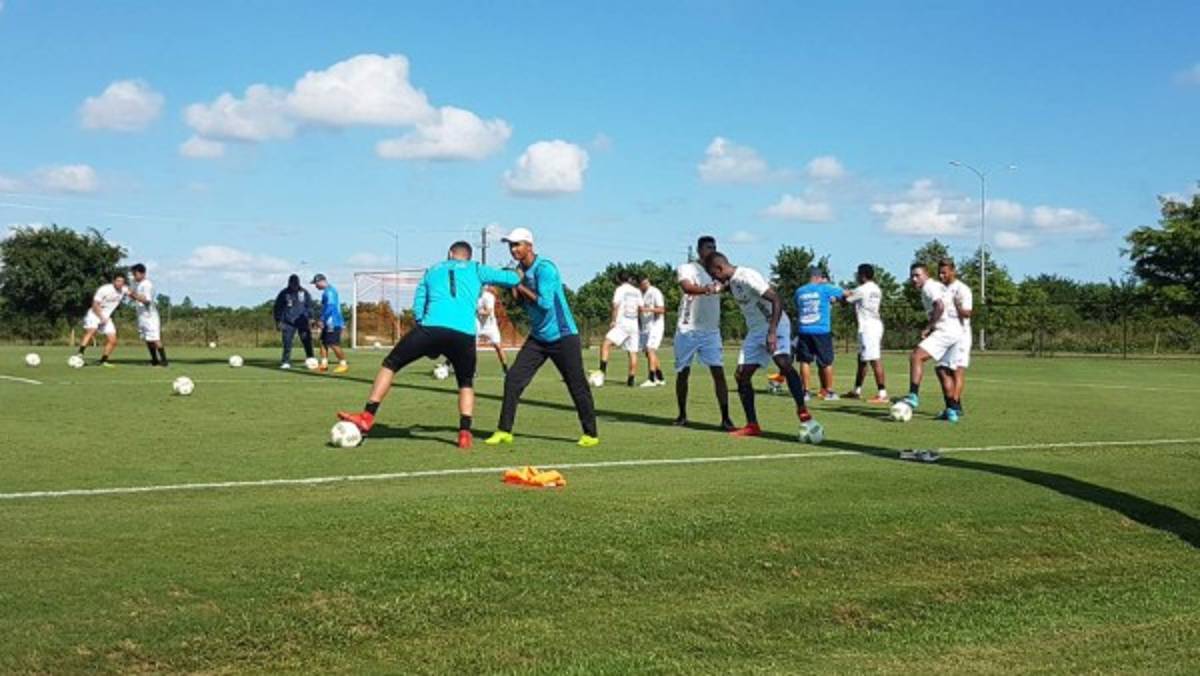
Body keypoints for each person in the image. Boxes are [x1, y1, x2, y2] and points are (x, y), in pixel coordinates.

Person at [338, 241, 519, 449]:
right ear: (468, 256)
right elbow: (511, 279)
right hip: (464, 334)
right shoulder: (478, 269)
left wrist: (422, 324)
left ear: (450, 254)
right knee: (466, 383)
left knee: (391, 364)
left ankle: (368, 416)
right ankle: (464, 433)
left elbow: (419, 302)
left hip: (431, 328)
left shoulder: (432, 270)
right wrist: (520, 272)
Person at [484, 227, 599, 448]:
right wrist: (513, 288)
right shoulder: (519, 270)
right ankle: (504, 430)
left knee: (576, 385)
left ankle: (590, 434)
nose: (513, 249)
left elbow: (545, 303)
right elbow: (520, 302)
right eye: (511, 245)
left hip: (563, 336)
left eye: (517, 244)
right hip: (539, 337)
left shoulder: (545, 269)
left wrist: (518, 284)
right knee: (514, 379)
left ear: (530, 246)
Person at [704, 252, 814, 437]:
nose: (714, 278)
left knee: (783, 363)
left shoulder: (748, 276)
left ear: (719, 268)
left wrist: (772, 332)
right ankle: (752, 425)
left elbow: (776, 299)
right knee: (741, 376)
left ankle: (802, 408)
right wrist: (717, 287)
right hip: (755, 331)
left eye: (714, 274)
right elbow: (727, 285)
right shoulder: (731, 280)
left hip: (775, 324)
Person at [673, 236, 735, 430]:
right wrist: (707, 289)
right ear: (699, 250)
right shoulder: (688, 268)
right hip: (688, 328)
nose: (711, 250)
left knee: (718, 372)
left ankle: (726, 417)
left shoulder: (717, 269)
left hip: (710, 330)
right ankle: (682, 414)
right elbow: (686, 287)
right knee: (683, 372)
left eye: (714, 247)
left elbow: (729, 283)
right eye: (708, 247)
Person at [900, 262, 963, 422]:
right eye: (912, 276)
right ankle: (951, 411)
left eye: (917, 275)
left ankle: (913, 396)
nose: (914, 279)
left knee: (916, 356)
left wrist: (929, 327)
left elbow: (940, 306)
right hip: (956, 331)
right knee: (942, 370)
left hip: (946, 330)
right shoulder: (936, 286)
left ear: (926, 275)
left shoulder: (929, 287)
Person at [794, 266, 844, 400]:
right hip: (821, 330)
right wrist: (835, 299)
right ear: (819, 277)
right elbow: (845, 294)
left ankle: (805, 392)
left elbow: (798, 307)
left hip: (804, 329)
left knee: (805, 361)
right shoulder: (825, 288)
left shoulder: (799, 291)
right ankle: (828, 391)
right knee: (826, 362)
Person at [841, 264, 888, 402]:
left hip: (869, 328)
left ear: (862, 275)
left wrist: (844, 294)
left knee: (874, 359)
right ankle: (856, 390)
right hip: (873, 325)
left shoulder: (861, 289)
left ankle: (882, 393)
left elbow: (845, 301)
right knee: (862, 360)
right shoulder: (876, 288)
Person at [937, 259, 973, 419]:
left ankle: (953, 407)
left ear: (953, 271)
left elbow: (967, 313)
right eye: (939, 272)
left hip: (961, 335)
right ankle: (954, 406)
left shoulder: (962, 289)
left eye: (944, 272)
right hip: (946, 334)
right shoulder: (941, 289)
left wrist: (956, 306)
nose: (941, 275)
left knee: (956, 370)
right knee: (941, 370)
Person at [597, 271, 643, 387]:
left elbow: (616, 305)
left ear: (619, 279)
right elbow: (640, 308)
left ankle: (602, 373)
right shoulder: (637, 291)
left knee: (606, 344)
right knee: (633, 352)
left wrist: (613, 320)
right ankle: (631, 379)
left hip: (623, 322)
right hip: (634, 323)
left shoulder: (620, 289)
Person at [77, 272, 128, 368]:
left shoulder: (124, 289)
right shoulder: (104, 289)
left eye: (122, 281)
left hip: (106, 317)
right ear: (113, 281)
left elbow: (132, 293)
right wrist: (101, 317)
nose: (120, 283)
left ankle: (103, 361)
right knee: (92, 331)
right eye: (118, 281)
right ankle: (79, 354)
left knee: (113, 340)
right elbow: (95, 305)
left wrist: (141, 299)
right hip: (94, 314)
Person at [126, 264, 168, 367]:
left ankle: (164, 361)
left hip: (150, 316)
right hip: (141, 315)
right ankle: (154, 360)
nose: (134, 276)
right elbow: (131, 294)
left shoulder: (147, 284)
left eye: (135, 274)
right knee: (147, 338)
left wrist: (133, 295)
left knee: (155, 338)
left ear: (142, 273)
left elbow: (147, 301)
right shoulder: (135, 283)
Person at [273, 274, 315, 369]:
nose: (294, 285)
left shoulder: (304, 292)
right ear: (289, 283)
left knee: (307, 341)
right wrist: (278, 320)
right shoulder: (284, 293)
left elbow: (309, 306)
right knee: (287, 342)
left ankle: (311, 360)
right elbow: (277, 308)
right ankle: (285, 361)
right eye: (292, 283)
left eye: (296, 283)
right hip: (287, 322)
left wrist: (311, 318)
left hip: (302, 321)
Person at [311, 273, 348, 374]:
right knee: (323, 342)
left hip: (333, 322)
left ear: (321, 281)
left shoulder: (330, 292)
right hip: (328, 322)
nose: (315, 286)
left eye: (316, 283)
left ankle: (343, 364)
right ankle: (324, 364)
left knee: (333, 343)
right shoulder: (327, 292)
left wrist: (322, 319)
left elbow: (330, 307)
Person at [638, 275, 667, 387]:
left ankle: (651, 378)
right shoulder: (641, 294)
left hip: (656, 326)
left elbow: (662, 309)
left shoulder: (655, 292)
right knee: (649, 353)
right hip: (645, 327)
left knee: (650, 349)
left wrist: (647, 309)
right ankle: (660, 377)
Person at [476, 285, 509, 375]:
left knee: (498, 347)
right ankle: (474, 370)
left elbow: (488, 312)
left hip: (490, 325)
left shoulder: (489, 296)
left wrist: (478, 311)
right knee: (472, 348)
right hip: (477, 324)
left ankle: (505, 369)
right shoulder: (472, 296)